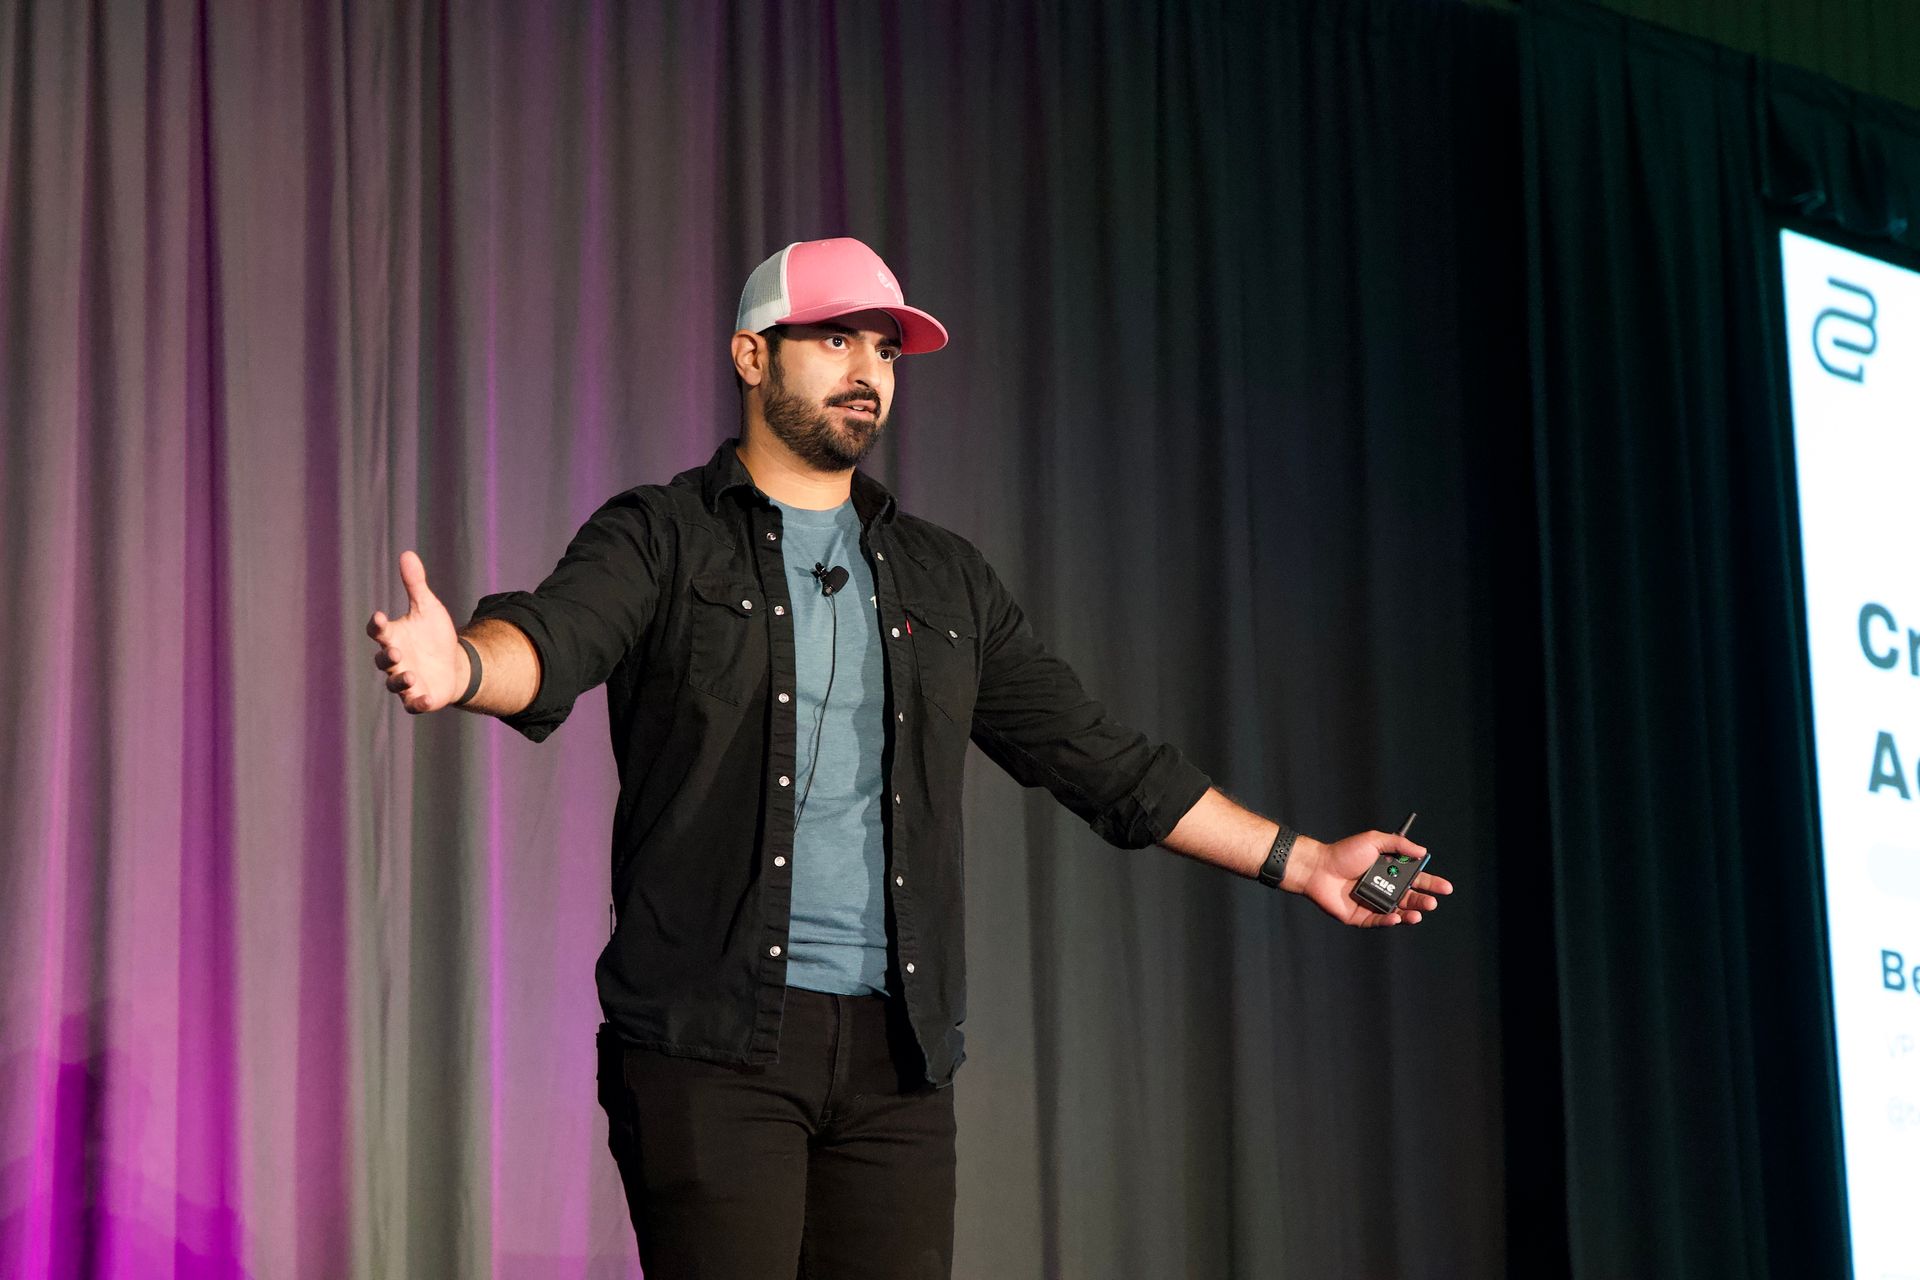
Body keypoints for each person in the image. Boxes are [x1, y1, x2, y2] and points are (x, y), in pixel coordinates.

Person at [365, 236, 1454, 1279]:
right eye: (837, 338)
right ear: (752, 356)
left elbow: (1103, 760)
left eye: (884, 349)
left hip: (898, 1054)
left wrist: (1302, 859)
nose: (868, 371)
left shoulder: (943, 580)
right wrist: (461, 662)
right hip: (711, 1044)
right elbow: (552, 641)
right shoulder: (663, 536)